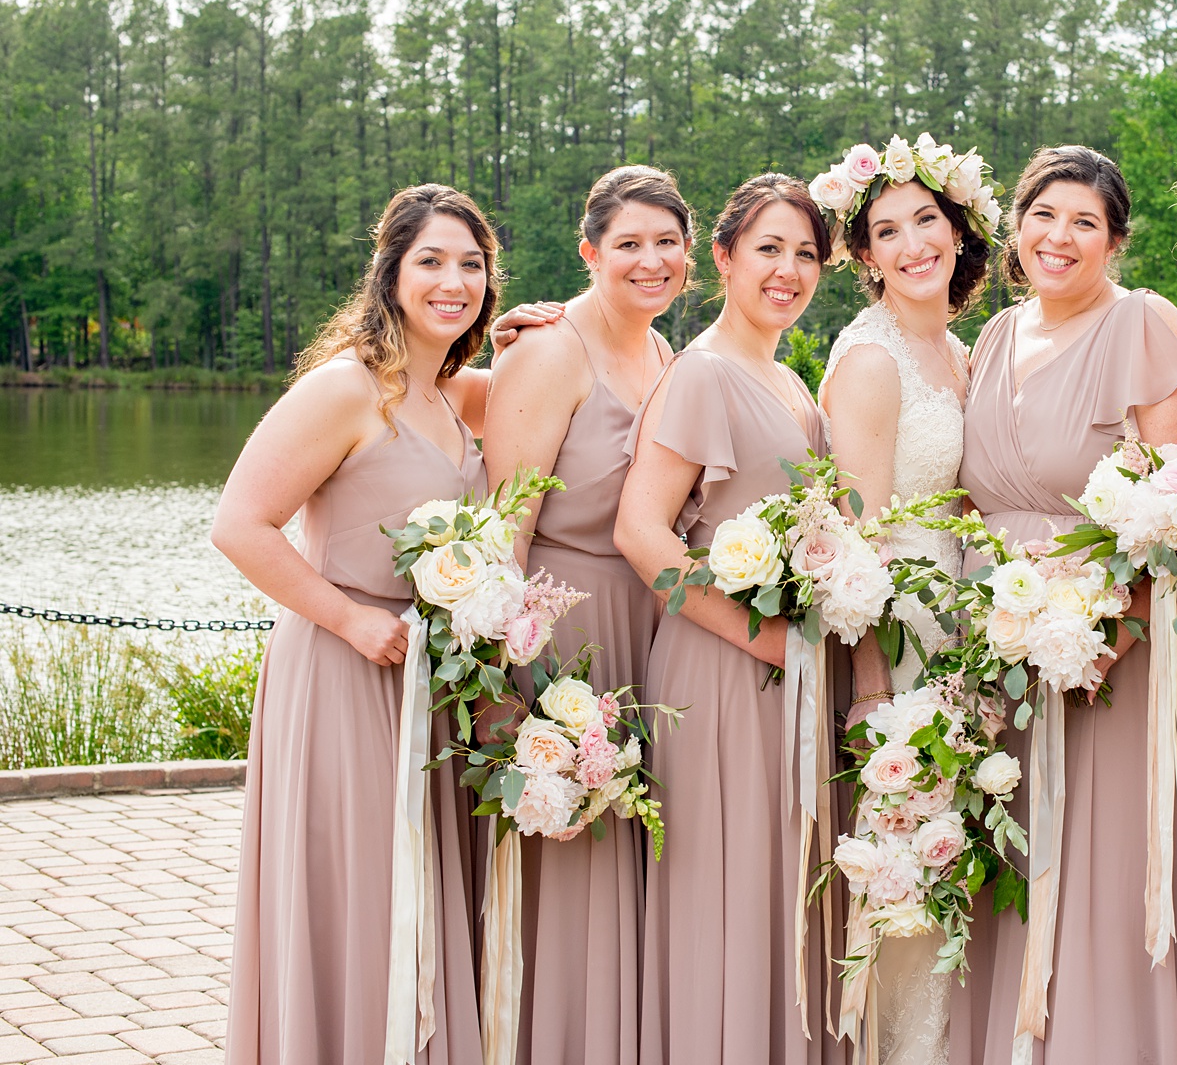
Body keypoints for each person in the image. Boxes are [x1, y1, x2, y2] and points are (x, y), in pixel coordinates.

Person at [215, 183, 508, 1065]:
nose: (452, 281)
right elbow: (238, 524)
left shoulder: (458, 396)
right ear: (390, 274)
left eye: (472, 264)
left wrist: (550, 327)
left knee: (415, 896)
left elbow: (568, 380)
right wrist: (350, 619)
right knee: (359, 893)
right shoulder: (345, 388)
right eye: (431, 261)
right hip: (346, 673)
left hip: (430, 687)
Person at [956, 145, 1177, 1065]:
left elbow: (1175, 505)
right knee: (1006, 857)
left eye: (1084, 223)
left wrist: (1113, 635)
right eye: (1044, 216)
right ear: (1016, 227)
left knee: (1096, 864)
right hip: (994, 642)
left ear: (1117, 241)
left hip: (1103, 647)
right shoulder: (994, 334)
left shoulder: (1141, 323)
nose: (1059, 238)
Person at [613, 174, 847, 1065]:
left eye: (805, 254)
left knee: (781, 891)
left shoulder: (789, 377)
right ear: (722, 257)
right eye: (768, 249)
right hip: (721, 670)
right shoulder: (703, 371)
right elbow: (639, 532)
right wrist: (775, 642)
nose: (787, 270)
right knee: (728, 896)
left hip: (787, 668)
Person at [481, 164, 691, 1065]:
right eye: (629, 244)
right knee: (570, 868)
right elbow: (503, 534)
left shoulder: (666, 355)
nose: (651, 261)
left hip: (650, 635)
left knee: (633, 868)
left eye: (667, 243)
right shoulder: (545, 350)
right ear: (589, 250)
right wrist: (503, 699)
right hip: (563, 631)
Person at [813, 135, 992, 1065]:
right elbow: (857, 540)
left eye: (927, 219)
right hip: (905, 639)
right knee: (908, 862)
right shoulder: (874, 360)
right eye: (887, 229)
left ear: (960, 232)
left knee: (954, 860)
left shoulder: (958, 351)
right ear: (866, 256)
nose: (913, 241)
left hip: (966, 626)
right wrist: (875, 686)